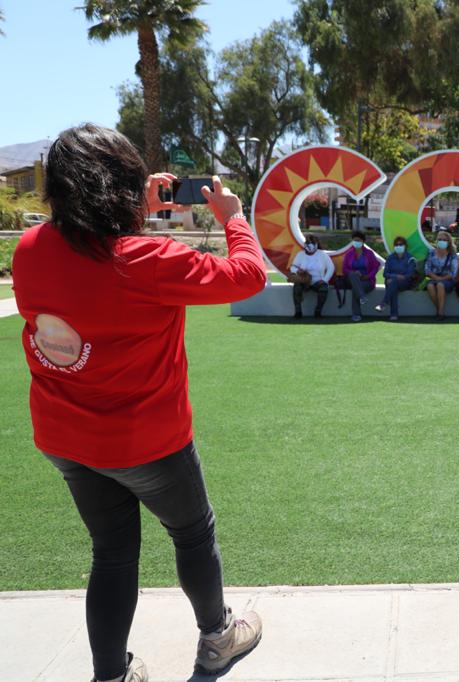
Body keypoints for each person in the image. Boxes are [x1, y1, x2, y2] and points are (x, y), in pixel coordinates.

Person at [11, 124, 265, 682]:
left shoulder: (30, 250)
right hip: (148, 443)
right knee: (192, 533)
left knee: (111, 552)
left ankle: (111, 675)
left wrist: (133, 209)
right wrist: (233, 216)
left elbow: (89, 256)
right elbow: (247, 276)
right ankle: (217, 638)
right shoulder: (151, 258)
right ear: (122, 184)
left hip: (67, 439)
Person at [290, 234, 334, 319]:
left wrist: (325, 280)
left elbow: (331, 267)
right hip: (304, 281)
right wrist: (297, 271)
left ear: (316, 244)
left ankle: (318, 312)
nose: (310, 245)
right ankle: (298, 312)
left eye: (312, 243)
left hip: (318, 282)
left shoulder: (322, 254)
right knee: (297, 287)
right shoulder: (300, 254)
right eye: (308, 242)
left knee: (324, 288)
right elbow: (293, 267)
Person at [340, 230, 380, 321]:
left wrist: (368, 276)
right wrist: (354, 273)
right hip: (351, 279)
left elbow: (375, 267)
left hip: (366, 280)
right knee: (353, 276)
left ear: (363, 241)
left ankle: (356, 314)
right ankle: (362, 296)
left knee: (356, 288)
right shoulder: (349, 254)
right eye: (354, 240)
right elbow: (344, 269)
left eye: (358, 240)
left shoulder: (369, 253)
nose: (356, 242)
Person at [376, 235, 417, 321]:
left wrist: (394, 277)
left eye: (401, 244)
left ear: (405, 246)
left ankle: (384, 304)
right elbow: (385, 274)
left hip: (405, 283)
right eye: (396, 245)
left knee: (392, 283)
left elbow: (409, 274)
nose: (398, 246)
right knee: (393, 285)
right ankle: (393, 315)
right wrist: (396, 276)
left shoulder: (410, 258)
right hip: (390, 281)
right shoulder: (390, 258)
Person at [424, 230, 458, 320]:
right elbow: (427, 269)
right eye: (439, 239)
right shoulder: (431, 253)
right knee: (430, 286)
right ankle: (440, 310)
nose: (441, 241)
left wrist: (441, 279)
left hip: (448, 280)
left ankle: (440, 312)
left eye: (444, 240)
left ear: (449, 242)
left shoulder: (452, 255)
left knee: (440, 285)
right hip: (433, 278)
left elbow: (453, 272)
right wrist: (436, 277)